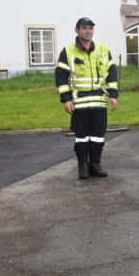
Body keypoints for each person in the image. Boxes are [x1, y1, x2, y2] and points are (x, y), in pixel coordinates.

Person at [55, 17, 119, 179]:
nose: (88, 31)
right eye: (84, 28)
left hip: (99, 102)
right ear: (77, 30)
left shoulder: (103, 50)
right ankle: (83, 166)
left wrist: (113, 95)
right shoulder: (68, 51)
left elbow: (111, 74)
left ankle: (95, 165)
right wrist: (66, 99)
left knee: (98, 136)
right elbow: (61, 77)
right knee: (81, 137)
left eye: (90, 28)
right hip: (79, 103)